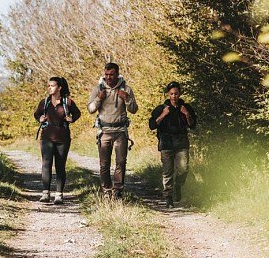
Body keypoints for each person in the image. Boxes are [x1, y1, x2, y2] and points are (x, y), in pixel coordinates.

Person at [87, 62, 138, 199]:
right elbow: (91, 109)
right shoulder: (97, 89)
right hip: (104, 131)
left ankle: (118, 190)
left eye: (112, 75)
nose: (109, 77)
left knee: (121, 162)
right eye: (106, 74)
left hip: (120, 131)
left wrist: (126, 98)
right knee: (104, 164)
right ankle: (106, 191)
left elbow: (133, 109)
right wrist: (99, 98)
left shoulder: (126, 89)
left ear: (117, 74)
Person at [149, 81, 197, 208]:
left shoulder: (185, 107)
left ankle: (178, 185)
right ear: (168, 94)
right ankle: (168, 197)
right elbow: (152, 125)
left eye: (176, 93)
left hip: (181, 142)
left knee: (184, 168)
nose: (174, 96)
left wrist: (186, 114)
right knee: (167, 171)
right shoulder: (161, 108)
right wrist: (163, 115)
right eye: (171, 94)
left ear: (180, 94)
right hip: (166, 143)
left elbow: (193, 125)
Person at [34, 77, 81, 204]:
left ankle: (59, 195)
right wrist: (40, 119)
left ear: (59, 87)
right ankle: (45, 193)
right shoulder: (44, 102)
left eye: (52, 85)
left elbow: (77, 113)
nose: (49, 88)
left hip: (63, 138)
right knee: (46, 165)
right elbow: (36, 114)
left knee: (60, 166)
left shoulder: (68, 102)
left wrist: (71, 119)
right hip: (46, 137)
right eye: (48, 85)